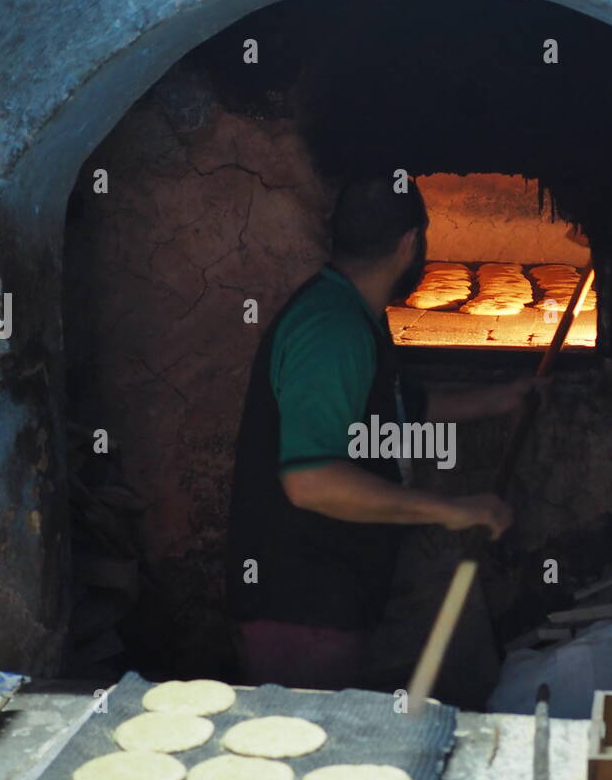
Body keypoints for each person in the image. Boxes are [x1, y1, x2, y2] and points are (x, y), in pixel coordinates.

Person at [226, 175, 529, 691]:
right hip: (301, 610)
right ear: (410, 243)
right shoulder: (331, 331)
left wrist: (502, 400)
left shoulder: (352, 316)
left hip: (333, 600)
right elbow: (311, 481)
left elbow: (403, 410)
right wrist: (453, 510)